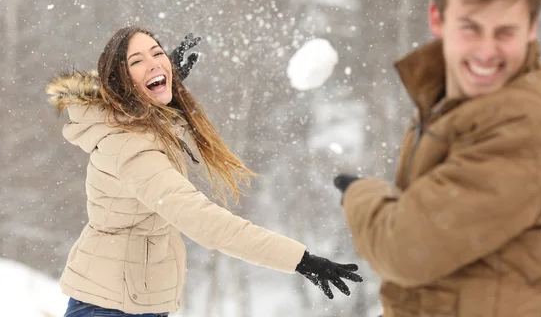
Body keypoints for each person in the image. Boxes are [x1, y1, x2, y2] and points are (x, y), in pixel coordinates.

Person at [333, 0, 541, 317]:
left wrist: (359, 194)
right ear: (438, 19)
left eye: (505, 32)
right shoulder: (454, 102)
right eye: (471, 27)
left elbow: (406, 249)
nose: (486, 51)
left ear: (532, 26)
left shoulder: (525, 124)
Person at [47, 26, 362, 317]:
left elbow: (154, 125)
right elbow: (204, 222)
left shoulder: (137, 124)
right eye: (137, 61)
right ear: (120, 80)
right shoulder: (132, 148)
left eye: (158, 53)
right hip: (111, 306)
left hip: (126, 300)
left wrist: (159, 92)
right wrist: (299, 259)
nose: (156, 62)